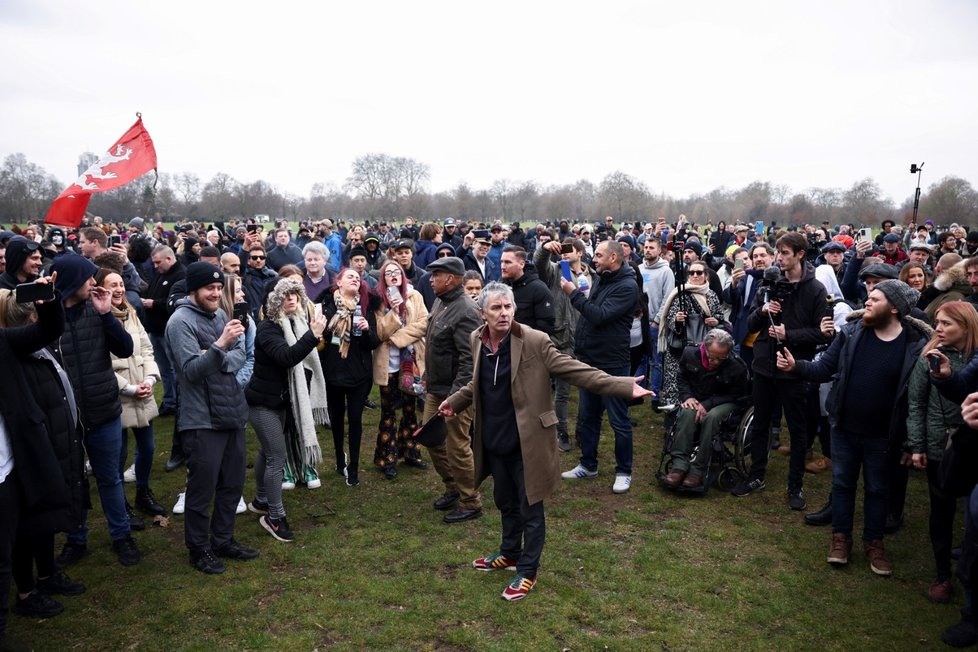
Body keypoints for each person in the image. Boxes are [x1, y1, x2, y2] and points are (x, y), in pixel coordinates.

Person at [439, 282, 651, 601]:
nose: (504, 313)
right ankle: (509, 553)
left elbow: (574, 370)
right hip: (494, 439)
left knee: (530, 509)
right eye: (496, 308)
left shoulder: (535, 341)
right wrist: (455, 402)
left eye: (508, 306)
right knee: (505, 501)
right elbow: (478, 381)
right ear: (482, 313)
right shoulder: (476, 339)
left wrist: (621, 385)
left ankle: (527, 570)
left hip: (528, 442)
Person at [777, 280, 930, 576]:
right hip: (844, 428)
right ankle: (840, 539)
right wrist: (796, 366)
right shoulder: (851, 333)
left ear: (895, 308)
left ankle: (874, 543)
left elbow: (917, 399)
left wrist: (912, 441)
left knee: (877, 489)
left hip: (883, 435)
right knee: (843, 484)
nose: (867, 302)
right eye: (868, 297)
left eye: (875, 298)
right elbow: (824, 369)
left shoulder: (914, 345)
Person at [0, 278, 86, 627]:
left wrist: (46, 298)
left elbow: (48, 328)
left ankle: (39, 583)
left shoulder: (4, 343)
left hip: (10, 463)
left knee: (15, 543)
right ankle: (25, 594)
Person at [165, 262, 258, 574]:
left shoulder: (219, 315)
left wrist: (214, 354)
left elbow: (240, 356)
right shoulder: (180, 322)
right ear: (194, 290)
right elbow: (191, 371)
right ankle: (198, 549)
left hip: (230, 410)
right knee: (202, 489)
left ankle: (222, 539)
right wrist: (219, 347)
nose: (217, 293)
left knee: (232, 482)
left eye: (219, 288)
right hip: (201, 418)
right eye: (210, 289)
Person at [47, 254, 139, 569]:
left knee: (110, 478)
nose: (93, 283)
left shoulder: (97, 310)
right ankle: (76, 539)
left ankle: (121, 536)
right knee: (73, 479)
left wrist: (105, 316)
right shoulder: (47, 317)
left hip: (103, 411)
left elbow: (125, 348)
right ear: (72, 281)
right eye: (88, 277)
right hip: (65, 417)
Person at [732, 232, 828, 511]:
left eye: (785, 253)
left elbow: (822, 334)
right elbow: (749, 324)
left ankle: (795, 485)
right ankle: (756, 475)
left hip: (795, 368)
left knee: (797, 430)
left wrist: (791, 335)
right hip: (763, 365)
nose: (779, 258)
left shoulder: (816, 289)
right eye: (778, 253)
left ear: (800, 254)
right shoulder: (769, 283)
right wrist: (762, 311)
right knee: (761, 422)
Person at [245, 279, 328, 542]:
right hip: (262, 403)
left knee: (267, 451)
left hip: (281, 401)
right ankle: (274, 516)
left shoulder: (297, 323)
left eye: (295, 294)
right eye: (284, 295)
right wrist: (312, 337)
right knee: (276, 457)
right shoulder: (267, 328)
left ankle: (260, 500)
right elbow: (287, 357)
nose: (291, 299)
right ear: (273, 300)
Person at [908, 302, 978, 602]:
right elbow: (916, 403)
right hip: (940, 442)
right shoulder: (929, 357)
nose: (938, 328)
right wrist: (917, 445)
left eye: (947, 324)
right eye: (937, 322)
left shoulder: (975, 360)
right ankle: (942, 575)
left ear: (967, 326)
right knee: (941, 509)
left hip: (972, 444)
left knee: (972, 512)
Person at [559, 240, 640, 494]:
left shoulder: (627, 286)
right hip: (590, 361)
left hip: (612, 363)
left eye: (600, 255)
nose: (594, 259)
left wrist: (573, 294)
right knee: (588, 417)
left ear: (614, 258)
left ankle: (624, 471)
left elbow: (599, 315)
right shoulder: (603, 278)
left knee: (619, 421)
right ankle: (588, 464)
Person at [96, 269, 167, 520]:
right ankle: (121, 504)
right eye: (112, 285)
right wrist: (127, 388)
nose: (119, 289)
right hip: (117, 393)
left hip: (142, 389)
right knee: (119, 452)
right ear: (100, 289)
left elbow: (146, 349)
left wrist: (149, 379)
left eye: (120, 283)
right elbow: (98, 362)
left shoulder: (131, 312)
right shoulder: (97, 318)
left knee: (147, 448)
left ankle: (143, 492)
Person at [421, 256, 484, 522]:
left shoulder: (467, 310)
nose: (431, 279)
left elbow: (470, 362)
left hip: (457, 393)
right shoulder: (441, 300)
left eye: (436, 275)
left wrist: (456, 399)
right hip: (436, 387)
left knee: (457, 446)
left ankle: (470, 501)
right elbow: (436, 343)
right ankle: (453, 488)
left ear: (451, 278)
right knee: (432, 439)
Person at [662, 329, 750, 491]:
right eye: (711, 355)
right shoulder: (689, 354)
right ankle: (679, 465)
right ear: (705, 347)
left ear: (728, 353)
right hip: (696, 397)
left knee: (711, 418)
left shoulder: (736, 367)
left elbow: (737, 394)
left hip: (724, 401)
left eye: (720, 358)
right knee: (687, 413)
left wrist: (708, 404)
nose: (715, 361)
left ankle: (698, 469)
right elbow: (682, 378)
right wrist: (687, 397)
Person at [318, 268, 380, 487]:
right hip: (333, 370)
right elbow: (319, 336)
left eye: (358, 277)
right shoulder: (326, 303)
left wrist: (365, 330)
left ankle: (353, 467)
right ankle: (338, 459)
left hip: (359, 373)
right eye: (350, 276)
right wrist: (329, 326)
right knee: (337, 417)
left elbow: (373, 342)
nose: (356, 279)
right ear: (339, 282)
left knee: (355, 418)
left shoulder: (364, 306)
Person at [372, 261, 429, 479]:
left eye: (397, 272)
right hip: (389, 364)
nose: (393, 275)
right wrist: (394, 313)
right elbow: (380, 331)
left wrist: (398, 338)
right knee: (388, 412)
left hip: (411, 362)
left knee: (410, 408)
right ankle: (387, 458)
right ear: (383, 278)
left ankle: (411, 454)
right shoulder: (378, 301)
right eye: (388, 273)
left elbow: (424, 323)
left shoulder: (415, 296)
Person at [656, 260, 723, 412]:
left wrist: (715, 320)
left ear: (706, 275)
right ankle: (673, 422)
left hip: (703, 349)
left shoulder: (711, 295)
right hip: (679, 348)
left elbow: (719, 316)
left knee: (698, 384)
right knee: (675, 384)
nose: (695, 275)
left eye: (699, 272)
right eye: (691, 272)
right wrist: (677, 320)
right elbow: (670, 319)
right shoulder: (679, 293)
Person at [143, 246, 185, 421]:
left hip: (168, 330)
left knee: (173, 368)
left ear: (169, 259)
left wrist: (154, 303)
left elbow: (175, 302)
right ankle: (169, 401)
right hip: (156, 330)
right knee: (163, 370)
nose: (155, 266)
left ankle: (176, 402)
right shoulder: (161, 274)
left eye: (158, 262)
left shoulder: (180, 275)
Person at [500, 246, 555, 335]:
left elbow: (545, 326)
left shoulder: (539, 289)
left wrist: (528, 344)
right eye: (501, 262)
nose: (503, 266)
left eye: (508, 262)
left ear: (522, 264)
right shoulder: (500, 287)